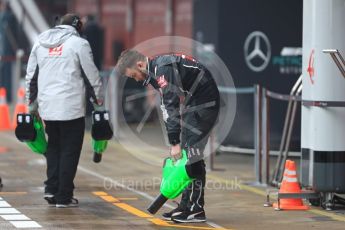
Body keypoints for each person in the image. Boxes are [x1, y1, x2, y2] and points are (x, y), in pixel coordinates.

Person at [115, 50, 220, 223]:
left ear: (140, 65)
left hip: (204, 105)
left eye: (134, 75)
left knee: (192, 159)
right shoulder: (157, 69)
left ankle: (196, 209)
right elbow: (168, 106)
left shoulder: (162, 68)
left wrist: (174, 142)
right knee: (187, 157)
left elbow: (170, 105)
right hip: (193, 104)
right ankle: (186, 205)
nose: (136, 79)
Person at [25, 13, 103, 208]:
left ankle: (51, 188)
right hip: (71, 106)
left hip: (48, 107)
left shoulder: (40, 42)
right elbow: (91, 76)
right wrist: (99, 104)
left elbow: (31, 77)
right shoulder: (79, 44)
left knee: (54, 147)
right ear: (77, 27)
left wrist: (31, 106)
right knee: (70, 150)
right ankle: (64, 196)